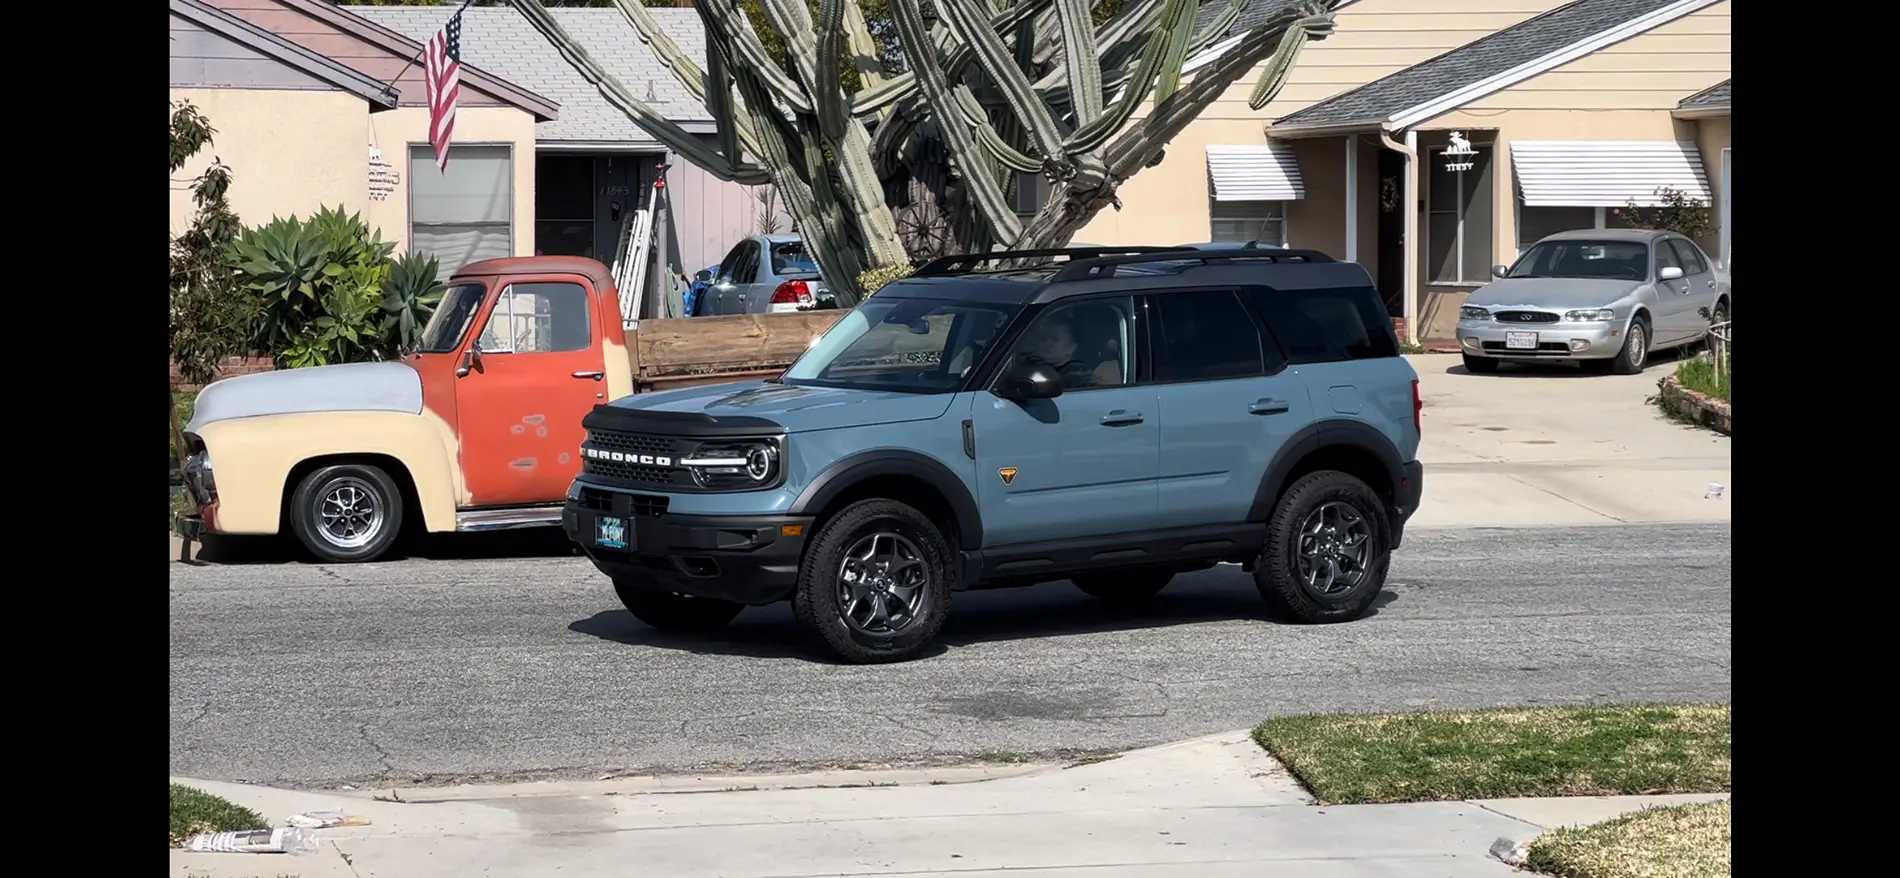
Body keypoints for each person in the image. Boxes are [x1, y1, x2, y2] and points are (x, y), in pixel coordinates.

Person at [1022, 311, 1121, 388]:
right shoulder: (1031, 364)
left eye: (1055, 339)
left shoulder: (1076, 376)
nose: (1046, 344)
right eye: (1044, 338)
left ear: (1071, 347)